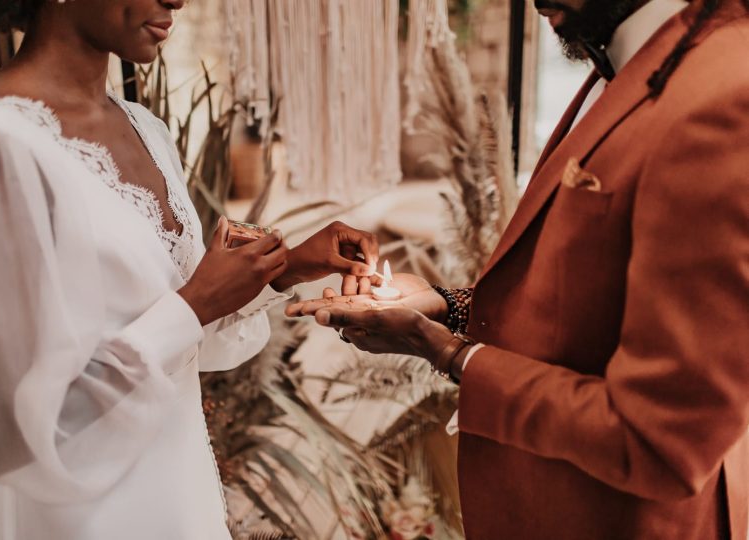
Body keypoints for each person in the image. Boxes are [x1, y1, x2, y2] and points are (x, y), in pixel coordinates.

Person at [290, 0, 749, 538]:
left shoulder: (721, 96)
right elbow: (590, 308)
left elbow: (659, 442)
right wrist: (448, 305)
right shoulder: (626, 60)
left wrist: (443, 350)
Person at [0, 1, 379, 539]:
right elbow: (10, 434)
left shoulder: (142, 127)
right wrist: (193, 305)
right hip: (79, 516)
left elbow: (188, 339)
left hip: (176, 494)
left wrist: (283, 269)